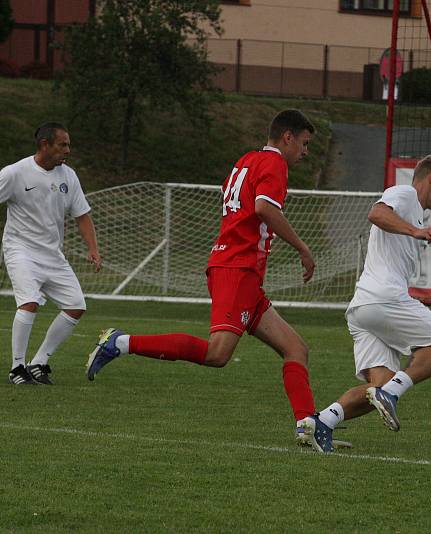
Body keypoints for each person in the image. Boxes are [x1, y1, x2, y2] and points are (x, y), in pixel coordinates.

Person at [86, 109, 321, 443]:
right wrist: (303, 248)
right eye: (304, 143)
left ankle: (308, 427)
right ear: (288, 137)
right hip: (236, 270)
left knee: (296, 347)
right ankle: (119, 342)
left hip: (242, 272)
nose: (305, 151)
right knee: (218, 354)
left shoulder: (246, 160)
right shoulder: (275, 163)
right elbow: (265, 208)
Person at [300, 150, 431, 453]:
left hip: (364, 308)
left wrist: (416, 229)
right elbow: (375, 213)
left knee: (378, 387)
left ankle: (319, 424)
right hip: (383, 299)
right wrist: (416, 230)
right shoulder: (404, 194)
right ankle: (393, 393)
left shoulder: (415, 213)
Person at [1, 122, 102, 385]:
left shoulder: (68, 175)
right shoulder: (15, 173)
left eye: (68, 144)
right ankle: (17, 368)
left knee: (76, 305)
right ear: (44, 145)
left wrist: (93, 249)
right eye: (63, 144)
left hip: (52, 254)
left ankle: (39, 362)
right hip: (20, 250)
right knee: (29, 302)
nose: (67, 150)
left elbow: (82, 214)